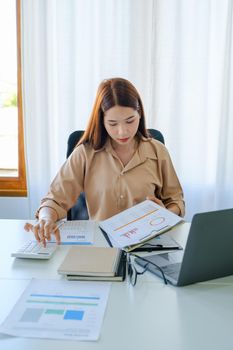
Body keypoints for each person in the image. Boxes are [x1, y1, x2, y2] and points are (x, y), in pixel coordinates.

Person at [24, 77, 185, 245]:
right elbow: (54, 199)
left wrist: (164, 213)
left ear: (140, 114)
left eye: (130, 120)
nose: (122, 132)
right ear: (101, 121)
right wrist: (46, 218)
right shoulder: (85, 154)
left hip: (150, 244)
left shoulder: (158, 151)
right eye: (112, 123)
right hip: (101, 245)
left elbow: (176, 202)